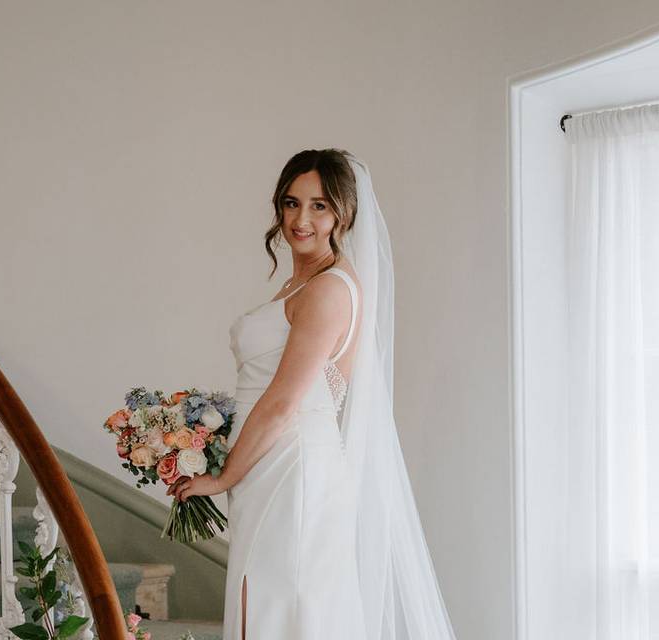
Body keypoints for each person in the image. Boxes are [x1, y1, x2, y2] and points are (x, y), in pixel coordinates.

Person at [167, 149, 457, 639]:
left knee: (291, 604)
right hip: (268, 462)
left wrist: (221, 478)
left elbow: (283, 402)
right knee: (264, 597)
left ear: (343, 211)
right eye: (291, 202)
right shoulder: (298, 283)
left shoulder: (328, 290)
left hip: (294, 468)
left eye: (319, 206)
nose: (301, 219)